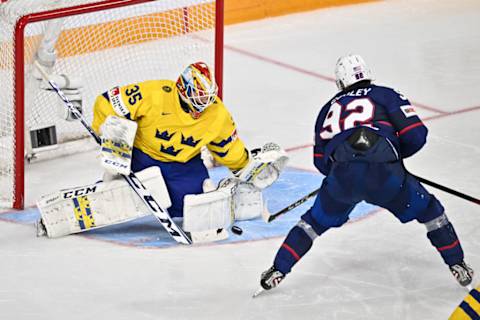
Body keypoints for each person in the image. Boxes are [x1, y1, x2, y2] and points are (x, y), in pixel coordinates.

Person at [258, 54, 474, 292]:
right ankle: (457, 264)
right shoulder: (386, 94)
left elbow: (320, 162)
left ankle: (278, 269)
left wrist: (344, 174)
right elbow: (416, 135)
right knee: (431, 211)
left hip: (343, 178)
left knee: (313, 223)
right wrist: (393, 160)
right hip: (386, 175)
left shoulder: (326, 110)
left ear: (340, 82)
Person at [36, 62, 287, 241]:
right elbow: (106, 102)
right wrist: (113, 139)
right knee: (118, 199)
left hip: (184, 167)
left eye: (206, 99)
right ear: (183, 89)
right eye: (198, 98)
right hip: (142, 157)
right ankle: (67, 212)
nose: (203, 105)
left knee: (198, 211)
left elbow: (227, 147)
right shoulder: (154, 94)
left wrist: (246, 168)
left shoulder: (217, 114)